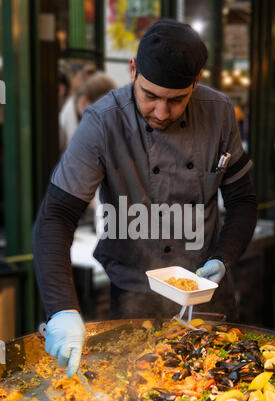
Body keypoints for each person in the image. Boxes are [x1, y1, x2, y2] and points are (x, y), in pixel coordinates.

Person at [33, 19, 257, 378]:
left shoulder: (219, 113)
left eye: (176, 100)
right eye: (150, 96)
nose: (161, 112)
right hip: (133, 298)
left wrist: (223, 258)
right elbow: (56, 216)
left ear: (195, 83)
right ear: (133, 70)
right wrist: (62, 309)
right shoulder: (102, 122)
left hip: (207, 298)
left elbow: (243, 201)